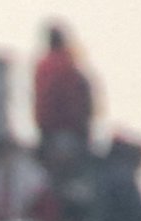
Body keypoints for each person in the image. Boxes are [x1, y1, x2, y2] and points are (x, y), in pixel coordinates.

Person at [31, 22, 96, 159]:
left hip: (47, 129)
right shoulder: (70, 64)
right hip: (71, 127)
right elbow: (81, 98)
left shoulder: (42, 66)